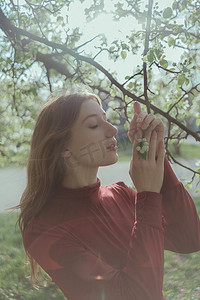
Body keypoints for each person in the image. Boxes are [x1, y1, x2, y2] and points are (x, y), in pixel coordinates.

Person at [18, 90, 200, 300]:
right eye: (94, 125)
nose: (113, 130)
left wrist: (152, 150)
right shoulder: (43, 230)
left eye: (107, 120)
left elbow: (190, 238)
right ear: (63, 148)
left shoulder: (121, 195)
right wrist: (148, 195)